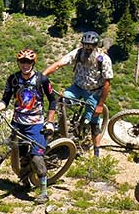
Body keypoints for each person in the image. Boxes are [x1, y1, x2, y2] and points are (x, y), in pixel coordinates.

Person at [0, 48, 59, 204]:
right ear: (18, 63)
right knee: (16, 153)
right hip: (17, 122)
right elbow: (5, 99)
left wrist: (50, 121)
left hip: (35, 124)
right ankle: (24, 180)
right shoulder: (13, 79)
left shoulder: (42, 79)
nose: (25, 65)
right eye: (22, 62)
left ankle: (44, 191)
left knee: (37, 157)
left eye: (28, 62)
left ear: (33, 63)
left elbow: (53, 99)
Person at [43, 30, 113, 158]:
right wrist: (41, 77)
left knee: (93, 122)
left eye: (90, 46)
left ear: (95, 46)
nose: (87, 48)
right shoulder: (78, 53)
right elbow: (59, 64)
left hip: (93, 92)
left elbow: (107, 83)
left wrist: (100, 105)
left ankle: (96, 152)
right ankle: (52, 126)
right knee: (61, 101)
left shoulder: (103, 60)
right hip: (77, 87)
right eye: (85, 45)